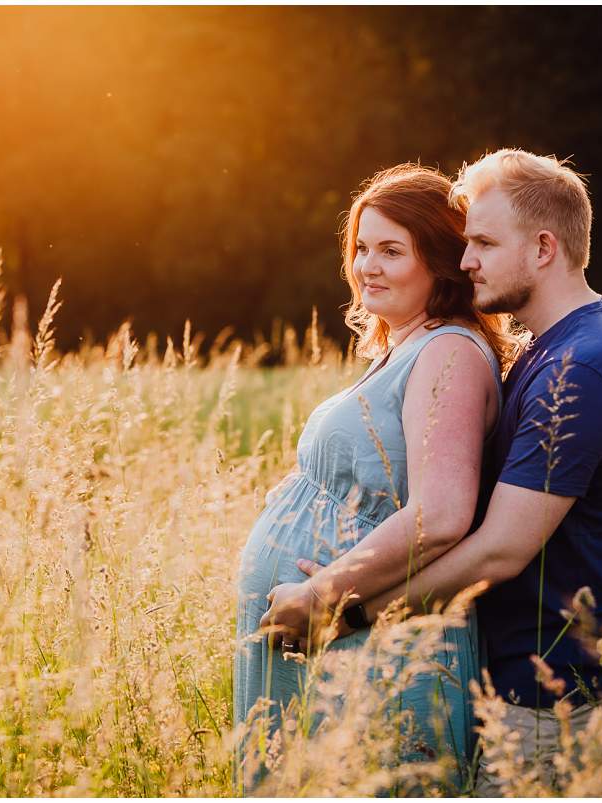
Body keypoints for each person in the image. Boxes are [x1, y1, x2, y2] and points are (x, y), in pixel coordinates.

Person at [291, 149, 602, 796]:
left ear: (544, 247)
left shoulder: (585, 368)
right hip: (527, 683)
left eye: (484, 243)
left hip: (556, 697)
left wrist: (351, 611)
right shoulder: (554, 350)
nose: (465, 261)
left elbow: (502, 547)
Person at [233, 163, 517, 794]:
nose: (368, 266)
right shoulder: (406, 347)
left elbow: (442, 513)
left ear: (440, 262)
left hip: (372, 649)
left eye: (392, 250)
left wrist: (326, 591)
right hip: (329, 646)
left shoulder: (448, 351)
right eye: (361, 248)